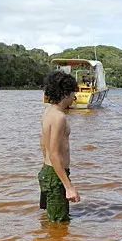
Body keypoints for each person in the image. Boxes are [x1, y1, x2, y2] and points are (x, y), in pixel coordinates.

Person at [38, 70, 80, 222]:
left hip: (49, 172)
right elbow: (54, 153)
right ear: (64, 94)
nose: (74, 98)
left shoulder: (48, 112)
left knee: (51, 220)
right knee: (58, 225)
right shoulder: (59, 117)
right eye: (72, 93)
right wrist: (68, 186)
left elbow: (43, 145)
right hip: (55, 176)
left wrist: (49, 168)